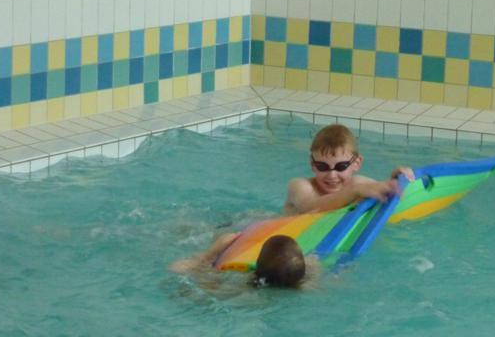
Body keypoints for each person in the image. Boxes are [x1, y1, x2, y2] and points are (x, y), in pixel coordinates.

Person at [284, 124, 415, 215]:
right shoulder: (300, 186)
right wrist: (354, 191)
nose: (332, 175)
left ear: (356, 163)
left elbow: (390, 195)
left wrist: (397, 180)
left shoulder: (358, 183)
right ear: (312, 164)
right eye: (322, 167)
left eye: (341, 167)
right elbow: (310, 207)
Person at [169, 232, 316, 289]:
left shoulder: (243, 289)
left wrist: (210, 254)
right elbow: (313, 263)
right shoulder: (308, 287)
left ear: (256, 266)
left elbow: (175, 267)